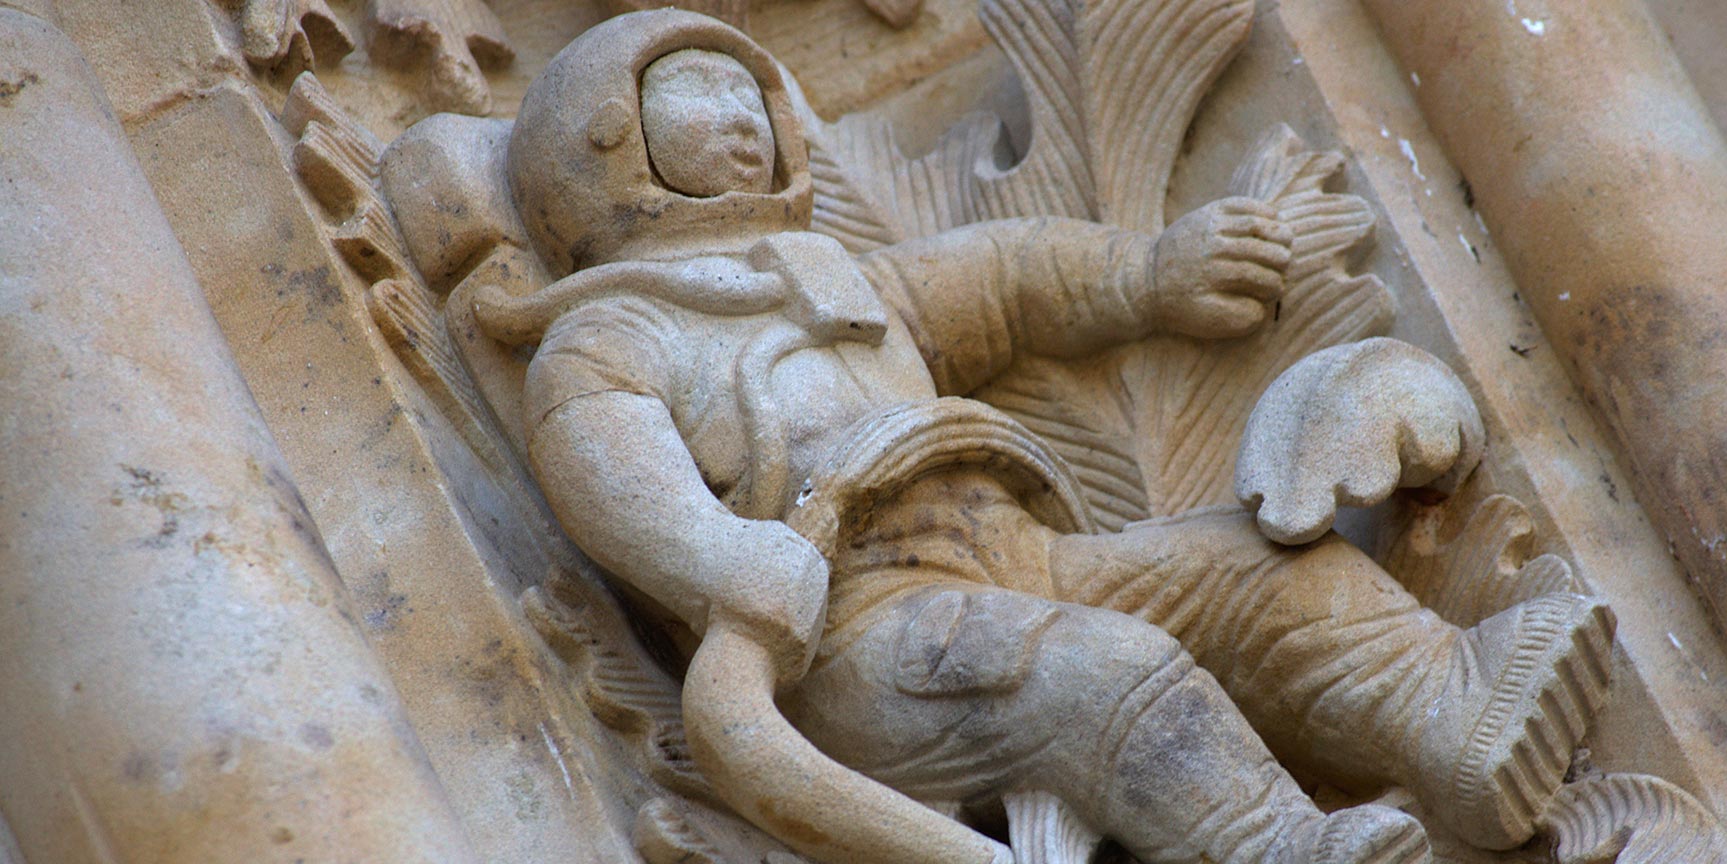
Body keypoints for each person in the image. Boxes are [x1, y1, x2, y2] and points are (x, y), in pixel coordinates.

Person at [483, 10, 1609, 860]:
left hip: (1023, 558)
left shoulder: (845, 282)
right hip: (859, 634)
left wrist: (1149, 276)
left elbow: (1009, 281)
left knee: (1254, 573)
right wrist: (726, 558)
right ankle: (1278, 845)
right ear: (604, 141)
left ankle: (1456, 715)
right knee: (1099, 671)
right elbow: (608, 466)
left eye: (747, 94)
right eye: (692, 93)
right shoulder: (609, 336)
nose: (735, 119)